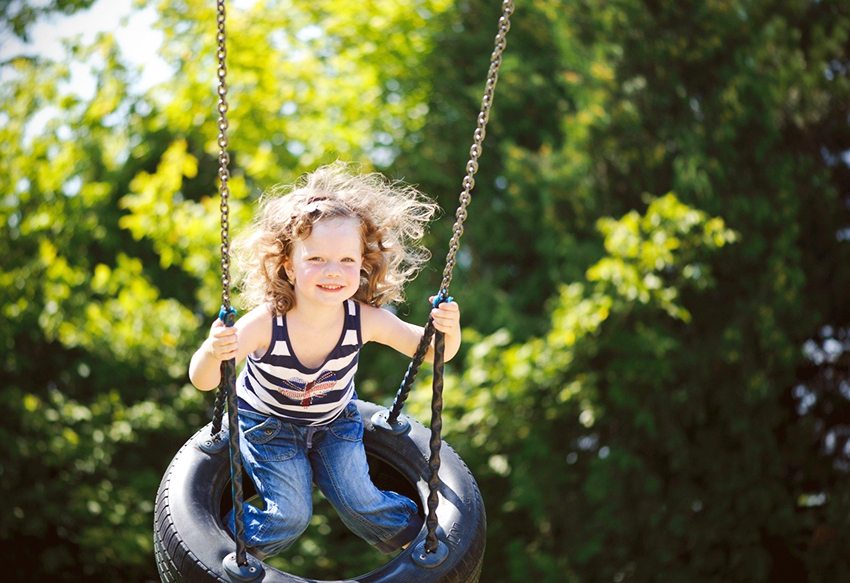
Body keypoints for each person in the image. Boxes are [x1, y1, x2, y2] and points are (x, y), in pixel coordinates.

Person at [188, 162, 461, 559]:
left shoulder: (362, 318)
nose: (333, 272)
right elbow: (203, 380)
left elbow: (434, 354)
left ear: (361, 266)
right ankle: (222, 545)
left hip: (336, 423)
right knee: (290, 516)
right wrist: (214, 350)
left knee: (362, 502)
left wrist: (449, 329)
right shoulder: (266, 322)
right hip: (268, 426)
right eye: (316, 259)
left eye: (347, 261)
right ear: (288, 266)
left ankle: (425, 549)